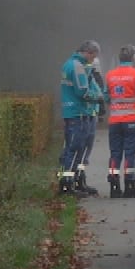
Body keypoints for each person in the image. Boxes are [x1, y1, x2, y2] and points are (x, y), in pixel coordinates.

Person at [57, 40, 103, 196]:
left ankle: (77, 179)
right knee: (74, 148)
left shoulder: (76, 64)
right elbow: (83, 91)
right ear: (88, 52)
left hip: (78, 112)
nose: (93, 60)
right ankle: (67, 184)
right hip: (78, 112)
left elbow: (89, 84)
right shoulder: (76, 66)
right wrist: (98, 98)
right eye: (93, 56)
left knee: (80, 148)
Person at [105, 45, 135, 198]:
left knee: (115, 152)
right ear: (133, 57)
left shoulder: (110, 75)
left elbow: (106, 97)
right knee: (130, 152)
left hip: (115, 120)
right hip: (132, 120)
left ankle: (114, 184)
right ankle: (129, 184)